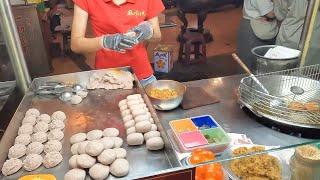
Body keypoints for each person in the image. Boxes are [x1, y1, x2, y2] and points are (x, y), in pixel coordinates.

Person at [71, 0, 165, 86]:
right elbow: (76, 44)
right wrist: (105, 41)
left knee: (152, 104)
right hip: (107, 78)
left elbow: (157, 36)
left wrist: (148, 31)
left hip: (142, 76)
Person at [237, 0, 278, 71]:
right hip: (253, 30)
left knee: (256, 67)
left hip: (259, 27)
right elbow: (270, 13)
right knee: (249, 67)